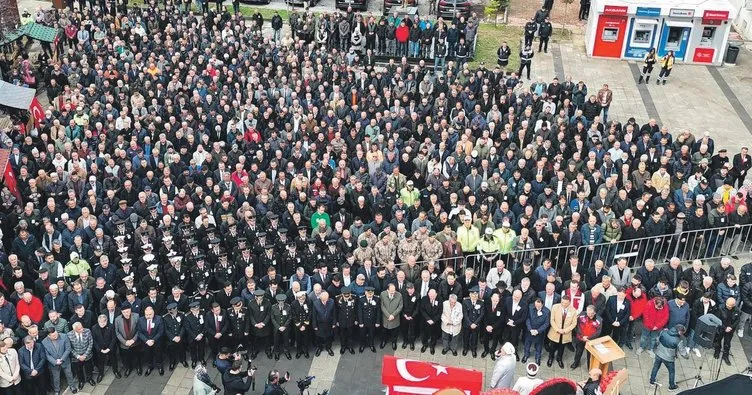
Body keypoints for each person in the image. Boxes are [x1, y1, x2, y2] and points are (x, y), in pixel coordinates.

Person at [649, 324, 684, 392]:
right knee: (671, 372)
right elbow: (683, 353)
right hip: (669, 358)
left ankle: (652, 381)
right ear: (679, 332)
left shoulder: (664, 332)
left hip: (659, 353)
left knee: (655, 367)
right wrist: (687, 356)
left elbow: (657, 340)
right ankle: (671, 386)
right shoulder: (678, 340)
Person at [42, 327, 77, 395]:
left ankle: (72, 386)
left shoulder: (64, 336)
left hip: (65, 361)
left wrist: (62, 359)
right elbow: (47, 355)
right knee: (56, 378)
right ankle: (57, 390)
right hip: (54, 364)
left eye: (56, 334)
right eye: (53, 336)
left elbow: (68, 349)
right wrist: (55, 362)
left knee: (69, 374)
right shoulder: (44, 342)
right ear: (48, 336)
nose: (56, 336)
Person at [547, 295, 578, 368]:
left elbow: (574, 323)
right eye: (562, 302)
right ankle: (550, 358)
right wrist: (558, 329)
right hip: (555, 331)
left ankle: (559, 358)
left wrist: (565, 331)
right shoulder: (555, 307)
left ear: (569, 303)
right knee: (552, 346)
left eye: (566, 303)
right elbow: (552, 320)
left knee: (562, 347)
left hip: (565, 333)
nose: (564, 304)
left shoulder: (573, 310)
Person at [68, 322, 96, 389]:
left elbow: (90, 343)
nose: (82, 330)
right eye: (80, 329)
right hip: (76, 357)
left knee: (89, 368)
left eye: (82, 327)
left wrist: (85, 355)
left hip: (87, 355)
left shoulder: (87, 331)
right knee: (78, 370)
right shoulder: (69, 335)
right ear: (75, 330)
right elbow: (69, 347)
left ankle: (89, 379)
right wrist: (78, 356)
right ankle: (81, 381)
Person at [714, 297, 740, 365]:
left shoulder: (737, 310)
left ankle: (725, 356)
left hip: (730, 330)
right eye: (727, 304)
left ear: (734, 305)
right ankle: (717, 351)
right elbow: (717, 319)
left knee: (727, 344)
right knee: (718, 340)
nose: (728, 306)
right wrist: (724, 327)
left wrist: (731, 327)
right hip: (722, 328)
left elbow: (737, 320)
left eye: (730, 305)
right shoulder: (721, 308)